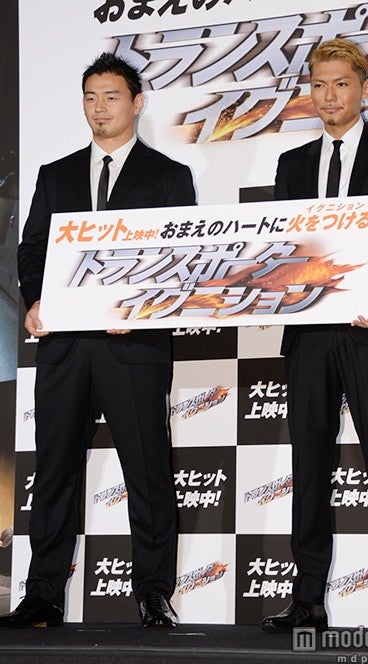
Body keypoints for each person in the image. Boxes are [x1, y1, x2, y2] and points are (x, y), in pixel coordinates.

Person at [0, 52, 196, 629]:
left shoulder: (168, 175)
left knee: (148, 472)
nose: (99, 108)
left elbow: (181, 261)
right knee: (54, 473)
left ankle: (153, 594)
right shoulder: (56, 174)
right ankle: (42, 595)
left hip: (133, 347)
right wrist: (36, 300)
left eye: (111, 97)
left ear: (137, 103)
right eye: (90, 97)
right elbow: (33, 249)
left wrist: (143, 309)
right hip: (65, 346)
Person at [262, 38, 368, 633]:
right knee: (308, 466)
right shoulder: (291, 164)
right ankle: (307, 599)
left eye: (340, 84)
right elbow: (283, 250)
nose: (329, 95)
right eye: (319, 85)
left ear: (364, 89)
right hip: (309, 334)